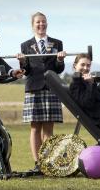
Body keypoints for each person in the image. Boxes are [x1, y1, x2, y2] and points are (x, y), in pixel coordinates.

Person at [18, 12, 66, 172]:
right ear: (33, 25)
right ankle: (38, 163)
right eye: (38, 22)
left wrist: (59, 59)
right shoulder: (25, 45)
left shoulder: (57, 43)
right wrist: (23, 62)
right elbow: (26, 71)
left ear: (47, 23)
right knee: (35, 128)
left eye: (43, 22)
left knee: (48, 129)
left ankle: (47, 162)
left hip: (52, 88)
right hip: (33, 88)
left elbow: (59, 69)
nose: (41, 24)